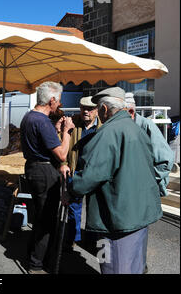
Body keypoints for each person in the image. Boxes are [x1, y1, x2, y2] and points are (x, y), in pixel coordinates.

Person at [68, 87, 162, 274]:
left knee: (112, 266)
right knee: (135, 266)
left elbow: (90, 177)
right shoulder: (136, 128)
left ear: (103, 109)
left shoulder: (107, 133)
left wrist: (71, 186)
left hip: (114, 219)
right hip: (139, 214)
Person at [20, 81, 74, 274]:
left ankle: (32, 255)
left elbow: (42, 143)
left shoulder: (29, 117)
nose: (59, 105)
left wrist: (57, 131)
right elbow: (61, 154)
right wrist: (66, 133)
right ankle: (36, 263)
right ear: (52, 100)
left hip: (34, 169)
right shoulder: (42, 121)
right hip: (44, 172)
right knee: (47, 220)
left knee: (40, 215)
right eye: (58, 101)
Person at [59, 96, 101, 252]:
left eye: (90, 109)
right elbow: (60, 144)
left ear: (97, 110)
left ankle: (91, 239)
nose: (86, 111)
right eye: (83, 108)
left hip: (95, 174)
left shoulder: (102, 127)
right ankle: (73, 238)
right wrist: (64, 164)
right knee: (73, 207)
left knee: (94, 208)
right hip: (76, 171)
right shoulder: (72, 123)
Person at [125, 93, 174, 197]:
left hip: (145, 190)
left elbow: (166, 160)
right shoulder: (124, 127)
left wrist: (145, 180)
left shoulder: (146, 126)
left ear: (131, 112)